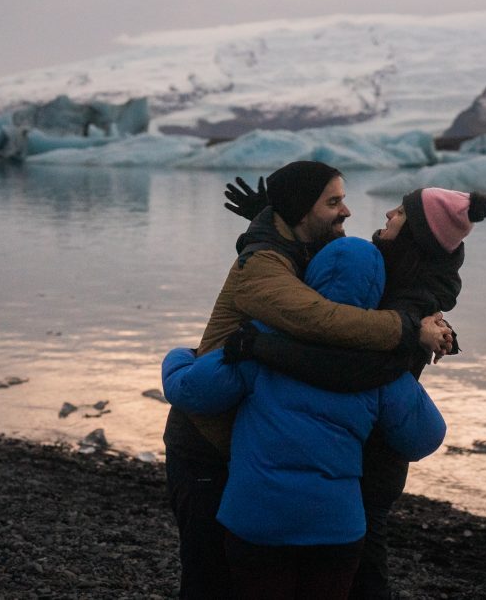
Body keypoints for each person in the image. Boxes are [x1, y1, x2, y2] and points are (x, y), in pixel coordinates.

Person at [163, 161, 453, 598]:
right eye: (333, 202)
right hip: (205, 440)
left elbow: (336, 290)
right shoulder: (264, 269)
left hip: (250, 444)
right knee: (209, 577)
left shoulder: (311, 281)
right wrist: (410, 331)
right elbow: (321, 317)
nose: (349, 212)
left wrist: (180, 360)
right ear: (301, 212)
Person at [226, 186, 486, 599]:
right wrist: (279, 222)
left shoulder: (414, 299)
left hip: (373, 457)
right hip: (349, 444)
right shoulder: (396, 271)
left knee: (364, 570)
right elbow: (337, 274)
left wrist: (260, 347)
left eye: (400, 213)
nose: (388, 214)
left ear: (417, 234)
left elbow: (352, 367)